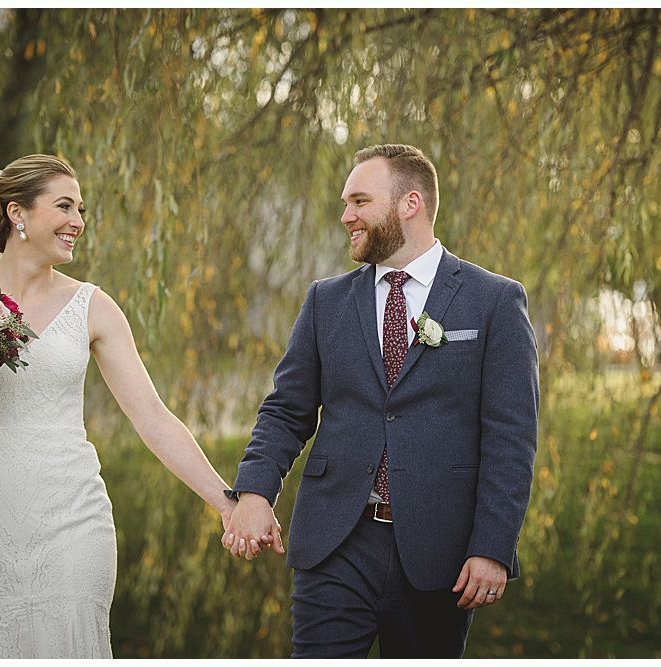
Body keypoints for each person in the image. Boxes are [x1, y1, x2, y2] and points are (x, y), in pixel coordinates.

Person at [0, 155, 236, 658]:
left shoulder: (93, 307)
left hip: (69, 522)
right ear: (18, 214)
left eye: (81, 209)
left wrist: (226, 503)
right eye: (64, 206)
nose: (78, 222)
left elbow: (152, 416)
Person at [221, 144, 539, 658]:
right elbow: (286, 410)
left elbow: (511, 437)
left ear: (409, 204)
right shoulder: (326, 301)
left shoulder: (495, 301)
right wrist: (255, 492)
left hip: (440, 554)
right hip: (334, 544)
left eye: (359, 201)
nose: (345, 215)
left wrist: (493, 547)